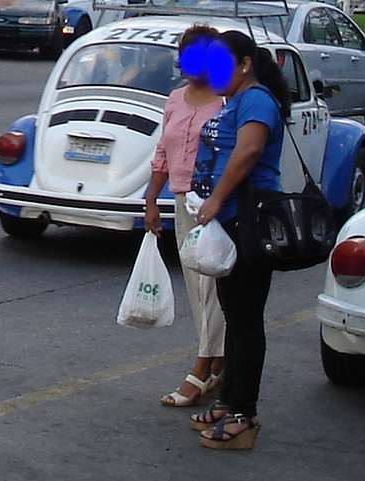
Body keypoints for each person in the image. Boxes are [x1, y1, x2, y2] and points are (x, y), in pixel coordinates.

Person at [188, 30, 291, 450]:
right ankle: (229, 400)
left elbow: (247, 152)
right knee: (235, 315)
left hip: (248, 220)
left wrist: (216, 199)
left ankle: (242, 415)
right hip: (232, 219)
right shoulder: (236, 101)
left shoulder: (256, 100)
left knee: (246, 319)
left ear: (245, 65)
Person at [144, 25, 226, 408]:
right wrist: (151, 200)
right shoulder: (176, 99)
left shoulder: (228, 99)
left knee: (213, 289)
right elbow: (163, 149)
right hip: (182, 202)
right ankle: (218, 364)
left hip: (217, 206)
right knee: (196, 288)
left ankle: (202, 366)